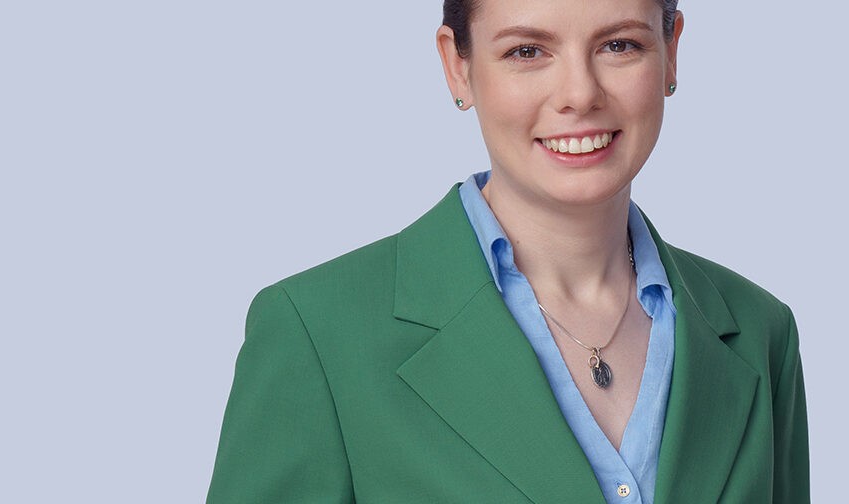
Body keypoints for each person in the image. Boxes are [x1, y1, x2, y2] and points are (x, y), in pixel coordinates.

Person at [206, 0, 809, 502]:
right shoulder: (317, 333)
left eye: (619, 45)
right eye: (527, 51)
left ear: (671, 51)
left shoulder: (760, 331)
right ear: (457, 66)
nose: (579, 94)